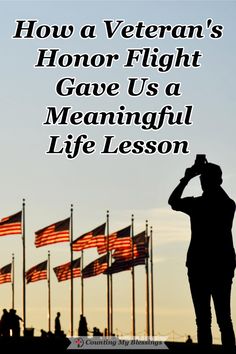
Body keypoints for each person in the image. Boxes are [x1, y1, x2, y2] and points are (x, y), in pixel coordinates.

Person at [168, 158, 236, 350]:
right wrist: (195, 175)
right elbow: (173, 202)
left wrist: (187, 177)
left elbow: (173, 201)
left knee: (210, 319)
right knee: (219, 319)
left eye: (204, 179)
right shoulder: (226, 204)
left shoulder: (206, 204)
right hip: (216, 265)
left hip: (204, 265)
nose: (202, 182)